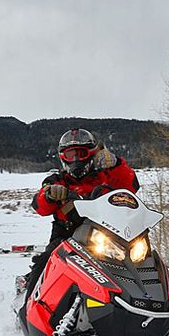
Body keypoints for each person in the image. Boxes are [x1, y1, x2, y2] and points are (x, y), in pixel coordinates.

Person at [21, 128, 140, 306]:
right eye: (71, 155)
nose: (75, 160)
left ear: (91, 154)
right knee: (44, 263)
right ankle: (28, 306)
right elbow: (40, 206)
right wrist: (49, 194)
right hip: (67, 236)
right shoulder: (56, 180)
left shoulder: (105, 175)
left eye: (80, 153)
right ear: (63, 157)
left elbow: (131, 186)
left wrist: (116, 164)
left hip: (108, 235)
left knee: (139, 260)